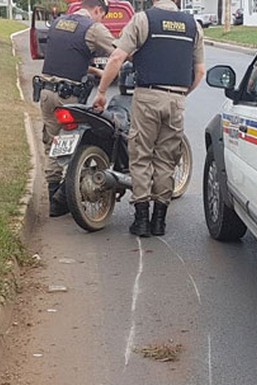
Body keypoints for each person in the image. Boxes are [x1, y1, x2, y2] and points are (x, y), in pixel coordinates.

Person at [92, 0, 205, 237]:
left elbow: (116, 58)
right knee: (166, 158)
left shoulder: (144, 20)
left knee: (141, 154)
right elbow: (200, 72)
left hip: (147, 96)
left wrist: (102, 92)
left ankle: (141, 220)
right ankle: (159, 221)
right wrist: (181, 95)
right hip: (176, 99)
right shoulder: (193, 26)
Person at [38, 0, 114, 217]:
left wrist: (96, 72)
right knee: (82, 141)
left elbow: (68, 55)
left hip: (46, 93)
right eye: (102, 16)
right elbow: (119, 53)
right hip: (69, 97)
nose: (101, 20)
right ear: (98, 10)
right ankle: (64, 196)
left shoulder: (58, 22)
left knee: (53, 143)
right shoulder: (93, 28)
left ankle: (54, 201)